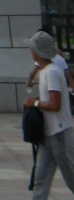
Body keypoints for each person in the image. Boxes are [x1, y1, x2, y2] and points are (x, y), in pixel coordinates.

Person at [23, 30, 74, 197]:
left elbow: (55, 104)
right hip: (48, 136)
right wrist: (36, 99)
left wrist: (36, 103)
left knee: (71, 178)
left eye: (31, 48)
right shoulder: (46, 71)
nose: (30, 50)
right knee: (40, 181)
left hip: (59, 135)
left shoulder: (51, 72)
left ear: (36, 51)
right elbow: (53, 97)